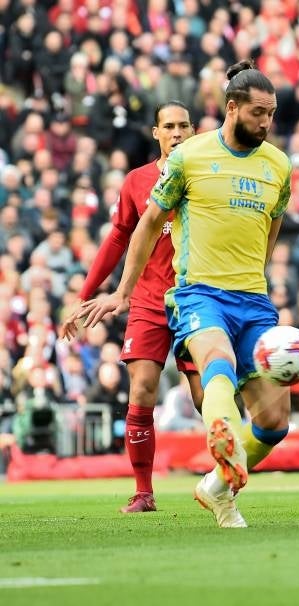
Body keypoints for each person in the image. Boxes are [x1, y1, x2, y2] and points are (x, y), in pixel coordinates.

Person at [80, 60, 293, 527]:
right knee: (215, 363)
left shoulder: (279, 165)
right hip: (198, 292)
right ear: (232, 108)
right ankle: (215, 440)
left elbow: (270, 229)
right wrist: (120, 291)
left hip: (253, 299)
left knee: (276, 419)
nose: (266, 122)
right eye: (259, 112)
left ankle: (217, 486)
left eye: (272, 113)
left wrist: (254, 277)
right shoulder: (189, 157)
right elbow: (145, 226)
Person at [60, 101, 202, 513]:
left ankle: (223, 481)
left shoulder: (206, 176)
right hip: (147, 300)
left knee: (205, 395)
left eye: (184, 126)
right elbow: (118, 239)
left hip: (196, 297)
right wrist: (86, 294)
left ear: (193, 131)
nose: (177, 133)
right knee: (141, 388)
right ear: (156, 133)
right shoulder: (137, 182)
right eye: (169, 126)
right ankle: (144, 492)